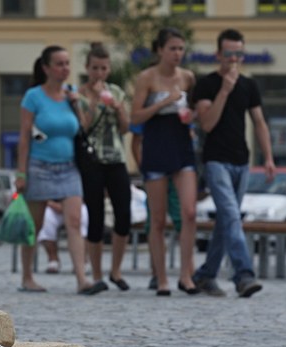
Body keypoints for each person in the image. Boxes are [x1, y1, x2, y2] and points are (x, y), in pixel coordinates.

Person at [191, 28, 275, 298]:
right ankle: (243, 275)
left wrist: (269, 158)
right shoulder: (206, 84)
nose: (234, 58)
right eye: (229, 53)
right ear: (218, 54)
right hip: (216, 160)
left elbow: (259, 122)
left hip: (242, 160)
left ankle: (205, 275)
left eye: (239, 53)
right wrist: (225, 91)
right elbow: (206, 123)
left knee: (226, 221)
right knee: (231, 216)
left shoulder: (249, 85)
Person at [15, 45, 103, 295]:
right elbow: (24, 136)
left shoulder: (72, 94)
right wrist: (21, 173)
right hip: (39, 166)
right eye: (60, 64)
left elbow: (83, 128)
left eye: (67, 63)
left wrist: (81, 104)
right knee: (36, 223)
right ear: (46, 68)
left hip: (69, 168)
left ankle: (82, 279)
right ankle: (27, 276)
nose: (65, 68)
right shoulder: (34, 96)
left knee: (74, 221)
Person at [131, 27, 198, 296]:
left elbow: (194, 109)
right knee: (157, 219)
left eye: (181, 49)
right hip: (156, 147)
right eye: (172, 48)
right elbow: (135, 117)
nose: (177, 54)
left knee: (189, 212)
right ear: (160, 50)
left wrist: (190, 116)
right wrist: (163, 103)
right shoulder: (146, 78)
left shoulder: (189, 77)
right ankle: (161, 278)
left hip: (182, 146)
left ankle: (186, 274)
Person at [77, 43, 131, 292]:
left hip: (117, 160)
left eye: (104, 68)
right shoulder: (80, 94)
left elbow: (125, 128)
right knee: (96, 218)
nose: (99, 73)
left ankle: (116, 270)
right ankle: (97, 273)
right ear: (88, 68)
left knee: (123, 216)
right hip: (93, 161)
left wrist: (118, 107)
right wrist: (96, 100)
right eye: (95, 68)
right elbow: (84, 127)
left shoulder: (117, 92)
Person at [130, 122, 182, 290]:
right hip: (154, 169)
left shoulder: (180, 103)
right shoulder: (149, 107)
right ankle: (157, 273)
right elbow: (135, 142)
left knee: (183, 220)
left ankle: (188, 272)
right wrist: (143, 167)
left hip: (177, 170)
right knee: (154, 222)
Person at [38, 200, 89, 274]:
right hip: (51, 205)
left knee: (84, 214)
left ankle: (82, 261)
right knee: (46, 218)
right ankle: (53, 259)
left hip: (76, 204)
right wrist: (52, 204)